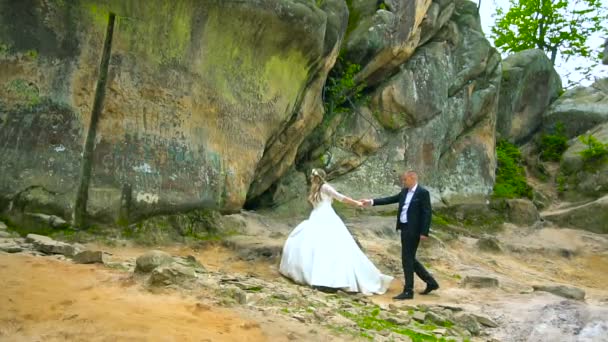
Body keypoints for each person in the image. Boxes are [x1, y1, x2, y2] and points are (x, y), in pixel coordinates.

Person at [279, 168, 393, 295]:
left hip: (321, 217)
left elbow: (340, 197)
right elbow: (340, 198)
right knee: (327, 246)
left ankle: (322, 277)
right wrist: (356, 203)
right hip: (322, 217)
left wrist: (356, 203)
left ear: (315, 177)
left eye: (312, 177)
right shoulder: (319, 188)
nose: (311, 178)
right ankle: (325, 278)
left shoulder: (322, 188)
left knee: (319, 246)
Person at [361, 170, 439, 300]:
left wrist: (424, 232)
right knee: (410, 259)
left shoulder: (423, 193)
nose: (403, 182)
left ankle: (408, 291)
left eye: (405, 180)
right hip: (404, 228)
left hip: (414, 230)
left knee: (407, 259)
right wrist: (371, 201)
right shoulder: (404, 192)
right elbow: (390, 199)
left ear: (413, 179)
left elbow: (427, 213)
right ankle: (431, 282)